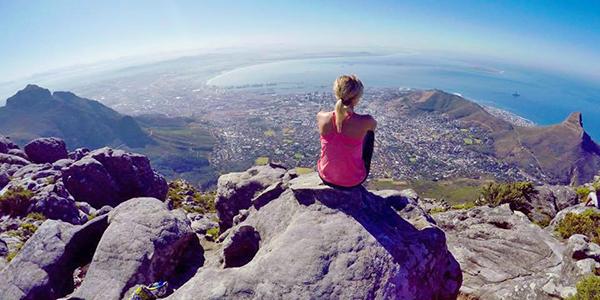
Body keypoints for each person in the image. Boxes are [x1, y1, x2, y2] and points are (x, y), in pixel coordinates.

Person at [316, 74, 377, 189]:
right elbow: (373, 126)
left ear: (336, 94)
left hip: (325, 176)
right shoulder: (366, 121)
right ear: (357, 99)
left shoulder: (321, 117)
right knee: (368, 134)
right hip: (353, 181)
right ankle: (353, 169)